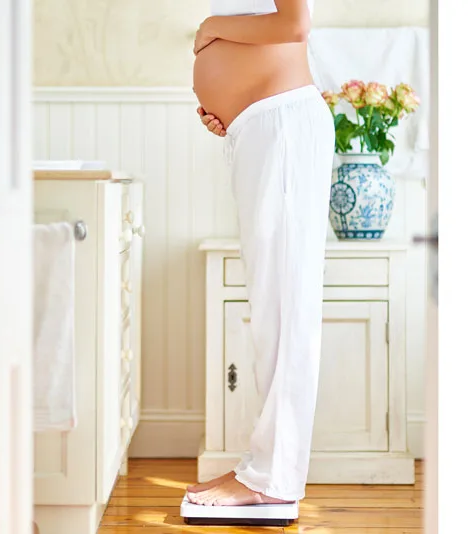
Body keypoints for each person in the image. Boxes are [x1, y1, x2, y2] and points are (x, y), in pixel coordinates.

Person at [187, 0, 334, 507]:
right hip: (261, 128)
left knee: (285, 312)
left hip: (284, 128)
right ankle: (261, 467)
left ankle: (272, 480)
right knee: (270, 311)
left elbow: (294, 25)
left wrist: (210, 29)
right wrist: (224, 103)